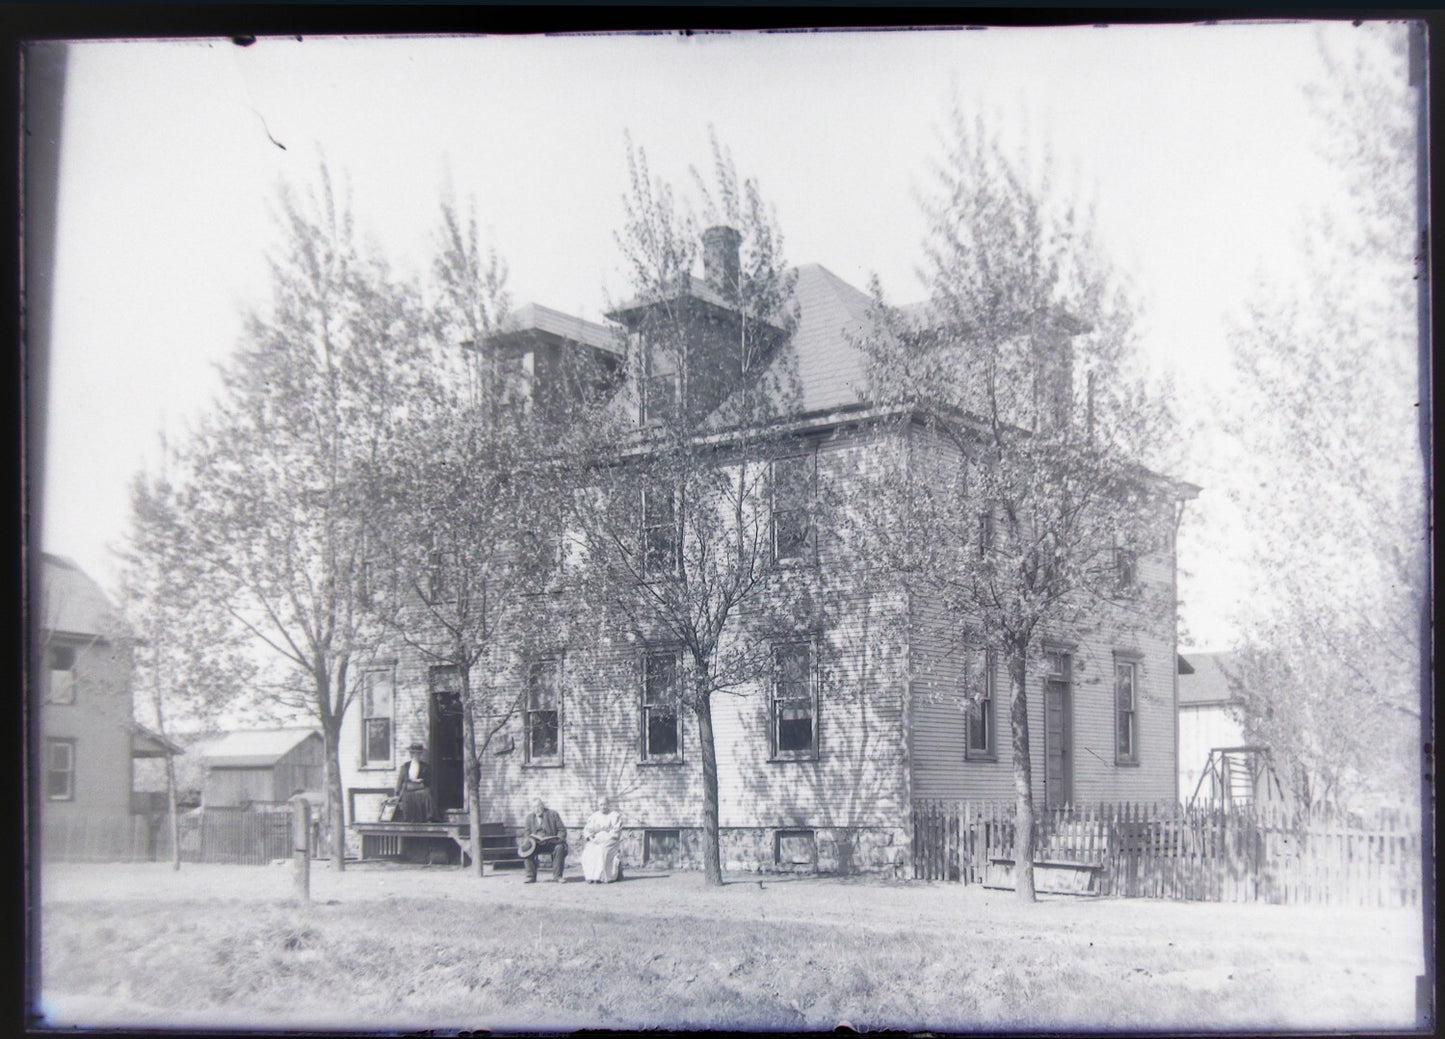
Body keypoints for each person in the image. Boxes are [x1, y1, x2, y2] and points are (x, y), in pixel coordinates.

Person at [521, 796, 568, 883]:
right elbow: (526, 834)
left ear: (543, 806)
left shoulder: (553, 814)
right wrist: (530, 839)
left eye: (538, 806)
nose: (537, 809)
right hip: (536, 845)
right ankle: (530, 876)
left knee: (560, 848)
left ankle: (558, 876)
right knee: (527, 848)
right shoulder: (529, 818)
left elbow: (562, 830)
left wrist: (558, 839)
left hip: (552, 843)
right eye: (534, 807)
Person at [580, 796, 623, 883]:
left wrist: (605, 838)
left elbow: (616, 831)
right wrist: (590, 837)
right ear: (598, 806)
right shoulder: (594, 816)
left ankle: (602, 877)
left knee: (601, 850)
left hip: (610, 840)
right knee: (588, 852)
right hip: (596, 839)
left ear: (608, 805)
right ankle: (591, 876)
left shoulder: (614, 815)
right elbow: (587, 829)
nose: (603, 806)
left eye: (605, 804)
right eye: (601, 804)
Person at [394, 742, 436, 823]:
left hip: (420, 787)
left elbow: (429, 780)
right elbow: (401, 780)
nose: (416, 756)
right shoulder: (406, 766)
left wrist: (421, 780)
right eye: (414, 753)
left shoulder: (425, 766)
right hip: (409, 788)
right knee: (407, 797)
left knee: (426, 794)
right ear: (411, 754)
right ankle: (410, 819)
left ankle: (427, 818)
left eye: (418, 754)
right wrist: (397, 793)